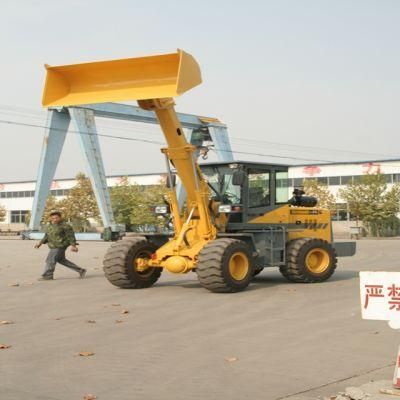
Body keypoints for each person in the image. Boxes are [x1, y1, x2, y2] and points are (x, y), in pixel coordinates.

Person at [34, 211, 86, 281]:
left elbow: (71, 236)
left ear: (60, 218)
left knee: (50, 260)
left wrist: (73, 245)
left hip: (60, 245)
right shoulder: (50, 225)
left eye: (56, 218)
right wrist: (40, 243)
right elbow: (47, 235)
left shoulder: (65, 226)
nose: (54, 219)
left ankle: (48, 275)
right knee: (61, 260)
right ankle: (81, 270)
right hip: (53, 245)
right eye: (53, 218)